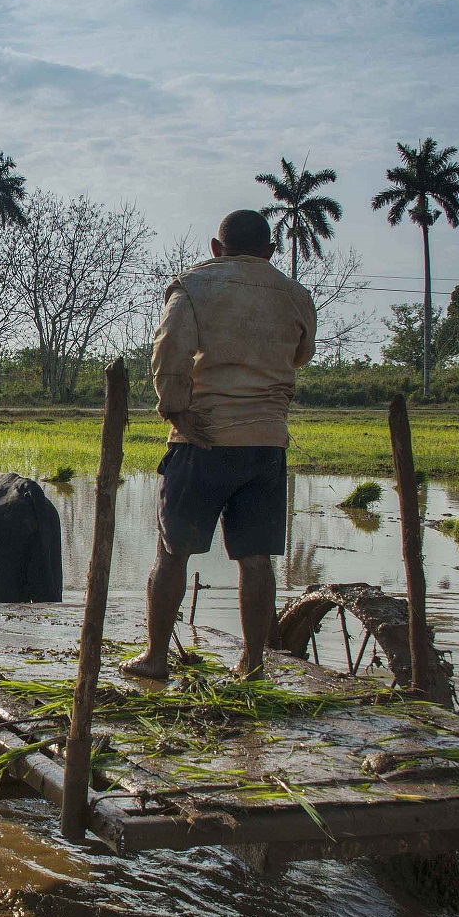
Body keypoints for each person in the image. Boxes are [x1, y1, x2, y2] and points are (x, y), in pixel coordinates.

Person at [122, 209, 316, 682]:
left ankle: (155, 658)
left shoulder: (193, 286)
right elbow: (301, 354)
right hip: (266, 445)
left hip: (202, 438)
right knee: (256, 560)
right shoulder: (294, 294)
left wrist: (176, 408)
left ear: (216, 247)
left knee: (172, 552)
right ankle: (252, 663)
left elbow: (169, 351)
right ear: (269, 252)